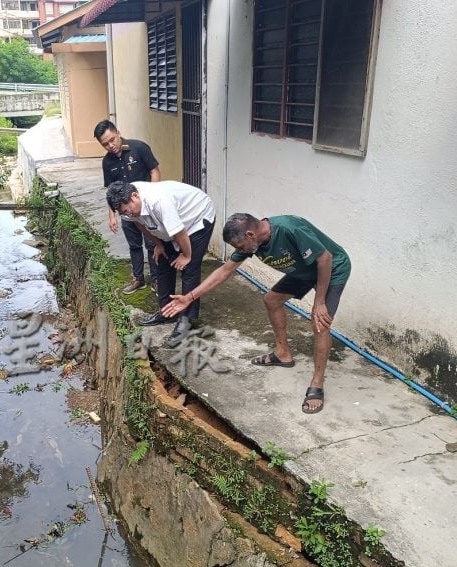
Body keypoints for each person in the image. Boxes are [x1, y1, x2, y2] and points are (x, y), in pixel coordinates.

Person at [162, 213, 351, 414]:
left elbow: (325, 258)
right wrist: (190, 297)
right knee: (272, 300)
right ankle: (282, 353)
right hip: (303, 271)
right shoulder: (252, 242)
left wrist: (319, 301)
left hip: (332, 268)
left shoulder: (289, 229)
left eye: (240, 246)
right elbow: (224, 272)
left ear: (250, 234)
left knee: (319, 322)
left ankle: (317, 382)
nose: (240, 251)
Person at [106, 180, 216, 347]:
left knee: (189, 269)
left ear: (134, 196)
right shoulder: (129, 206)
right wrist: (159, 244)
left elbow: (180, 231)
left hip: (197, 217)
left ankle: (187, 320)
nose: (127, 213)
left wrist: (186, 255)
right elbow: (140, 224)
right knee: (163, 260)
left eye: (127, 209)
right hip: (172, 223)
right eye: (123, 212)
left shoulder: (159, 201)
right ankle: (166, 312)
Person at [94, 120, 161, 294]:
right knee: (134, 245)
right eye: (105, 144)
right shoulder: (107, 163)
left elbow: (154, 171)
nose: (111, 145)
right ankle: (138, 279)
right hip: (126, 213)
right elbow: (111, 190)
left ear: (118, 132)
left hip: (144, 208)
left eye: (112, 140)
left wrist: (152, 197)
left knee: (152, 243)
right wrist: (111, 216)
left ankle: (156, 279)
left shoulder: (139, 148)